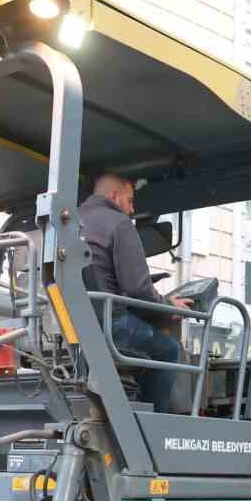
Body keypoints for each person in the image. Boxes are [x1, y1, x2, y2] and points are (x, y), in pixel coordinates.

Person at [78, 174, 192, 413]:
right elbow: (137, 287)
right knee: (167, 350)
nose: (132, 209)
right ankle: (153, 421)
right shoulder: (119, 223)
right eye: (130, 200)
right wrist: (167, 308)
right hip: (109, 323)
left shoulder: (71, 221)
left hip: (77, 322)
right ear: (114, 196)